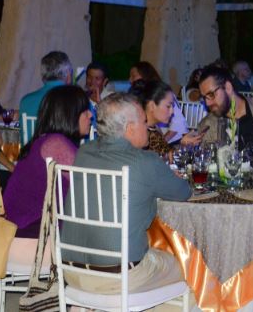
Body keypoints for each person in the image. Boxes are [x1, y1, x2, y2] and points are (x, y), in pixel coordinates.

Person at [60, 93, 191, 293]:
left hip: (71, 272)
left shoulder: (83, 151)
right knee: (190, 265)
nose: (148, 127)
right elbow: (184, 192)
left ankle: (92, 304)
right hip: (118, 276)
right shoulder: (145, 161)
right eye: (144, 122)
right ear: (130, 128)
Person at [4, 86, 92, 239]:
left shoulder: (50, 140)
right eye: (85, 111)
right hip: (31, 233)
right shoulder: (56, 144)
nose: (90, 115)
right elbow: (88, 186)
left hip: (31, 225)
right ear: (69, 115)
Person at [129, 79, 204, 156]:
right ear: (152, 106)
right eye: (168, 106)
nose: (172, 111)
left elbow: (163, 151)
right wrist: (182, 145)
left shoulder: (154, 128)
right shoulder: (142, 133)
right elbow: (154, 159)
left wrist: (182, 143)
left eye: (172, 106)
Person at [19, 51, 73, 142]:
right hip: (65, 151)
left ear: (43, 77)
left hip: (32, 150)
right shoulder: (76, 101)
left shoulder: (26, 101)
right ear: (68, 75)